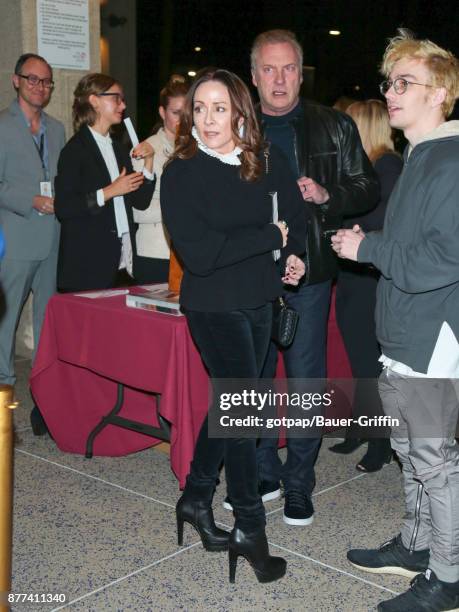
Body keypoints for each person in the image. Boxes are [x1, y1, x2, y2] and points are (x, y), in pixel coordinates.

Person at [160, 68, 307, 583]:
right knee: (244, 415)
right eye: (198, 109)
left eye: (219, 108)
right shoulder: (181, 172)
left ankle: (196, 498)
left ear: (240, 111)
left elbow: (295, 215)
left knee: (231, 407)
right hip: (213, 306)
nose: (207, 119)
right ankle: (250, 529)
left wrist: (293, 254)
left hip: (262, 301)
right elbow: (201, 256)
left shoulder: (264, 160)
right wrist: (269, 236)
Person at [332, 29, 459, 611]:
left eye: (405, 83)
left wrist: (368, 251)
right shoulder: (423, 156)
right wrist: (375, 241)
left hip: (433, 339)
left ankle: (449, 574)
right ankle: (416, 543)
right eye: (389, 82)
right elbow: (415, 241)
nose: (391, 91)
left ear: (440, 93)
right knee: (410, 449)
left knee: (434, 460)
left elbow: (441, 260)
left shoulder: (451, 163)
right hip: (406, 334)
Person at [249, 29, 379, 527]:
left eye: (288, 69)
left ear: (300, 73)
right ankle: (264, 473)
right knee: (254, 379)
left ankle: (300, 484)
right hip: (251, 273)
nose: (279, 79)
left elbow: (365, 186)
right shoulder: (237, 126)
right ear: (254, 75)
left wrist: (328, 196)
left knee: (305, 382)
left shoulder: (334, 124)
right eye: (268, 69)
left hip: (311, 274)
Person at [330, 100, 403, 472]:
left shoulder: (387, 166)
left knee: (369, 363)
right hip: (350, 275)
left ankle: (381, 442)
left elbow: (382, 221)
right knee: (357, 361)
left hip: (369, 278)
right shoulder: (363, 168)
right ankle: (360, 429)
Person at [0, 53, 65, 435]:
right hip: (16, 237)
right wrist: (30, 199)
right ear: (16, 80)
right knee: (4, 324)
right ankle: (3, 400)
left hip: (52, 238)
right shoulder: (2, 125)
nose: (40, 86)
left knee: (48, 325)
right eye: (33, 79)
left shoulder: (56, 129)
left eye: (46, 81)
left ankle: (45, 405)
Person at [54, 73, 155, 292]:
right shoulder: (74, 150)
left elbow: (140, 201)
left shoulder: (119, 149)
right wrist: (109, 191)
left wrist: (149, 162)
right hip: (87, 265)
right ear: (94, 101)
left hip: (121, 262)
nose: (123, 105)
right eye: (117, 98)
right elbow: (64, 207)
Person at [132, 75, 189, 284]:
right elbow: (139, 211)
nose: (182, 119)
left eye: (187, 113)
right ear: (162, 112)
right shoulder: (148, 148)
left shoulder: (197, 149)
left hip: (189, 252)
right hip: (155, 252)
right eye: (176, 113)